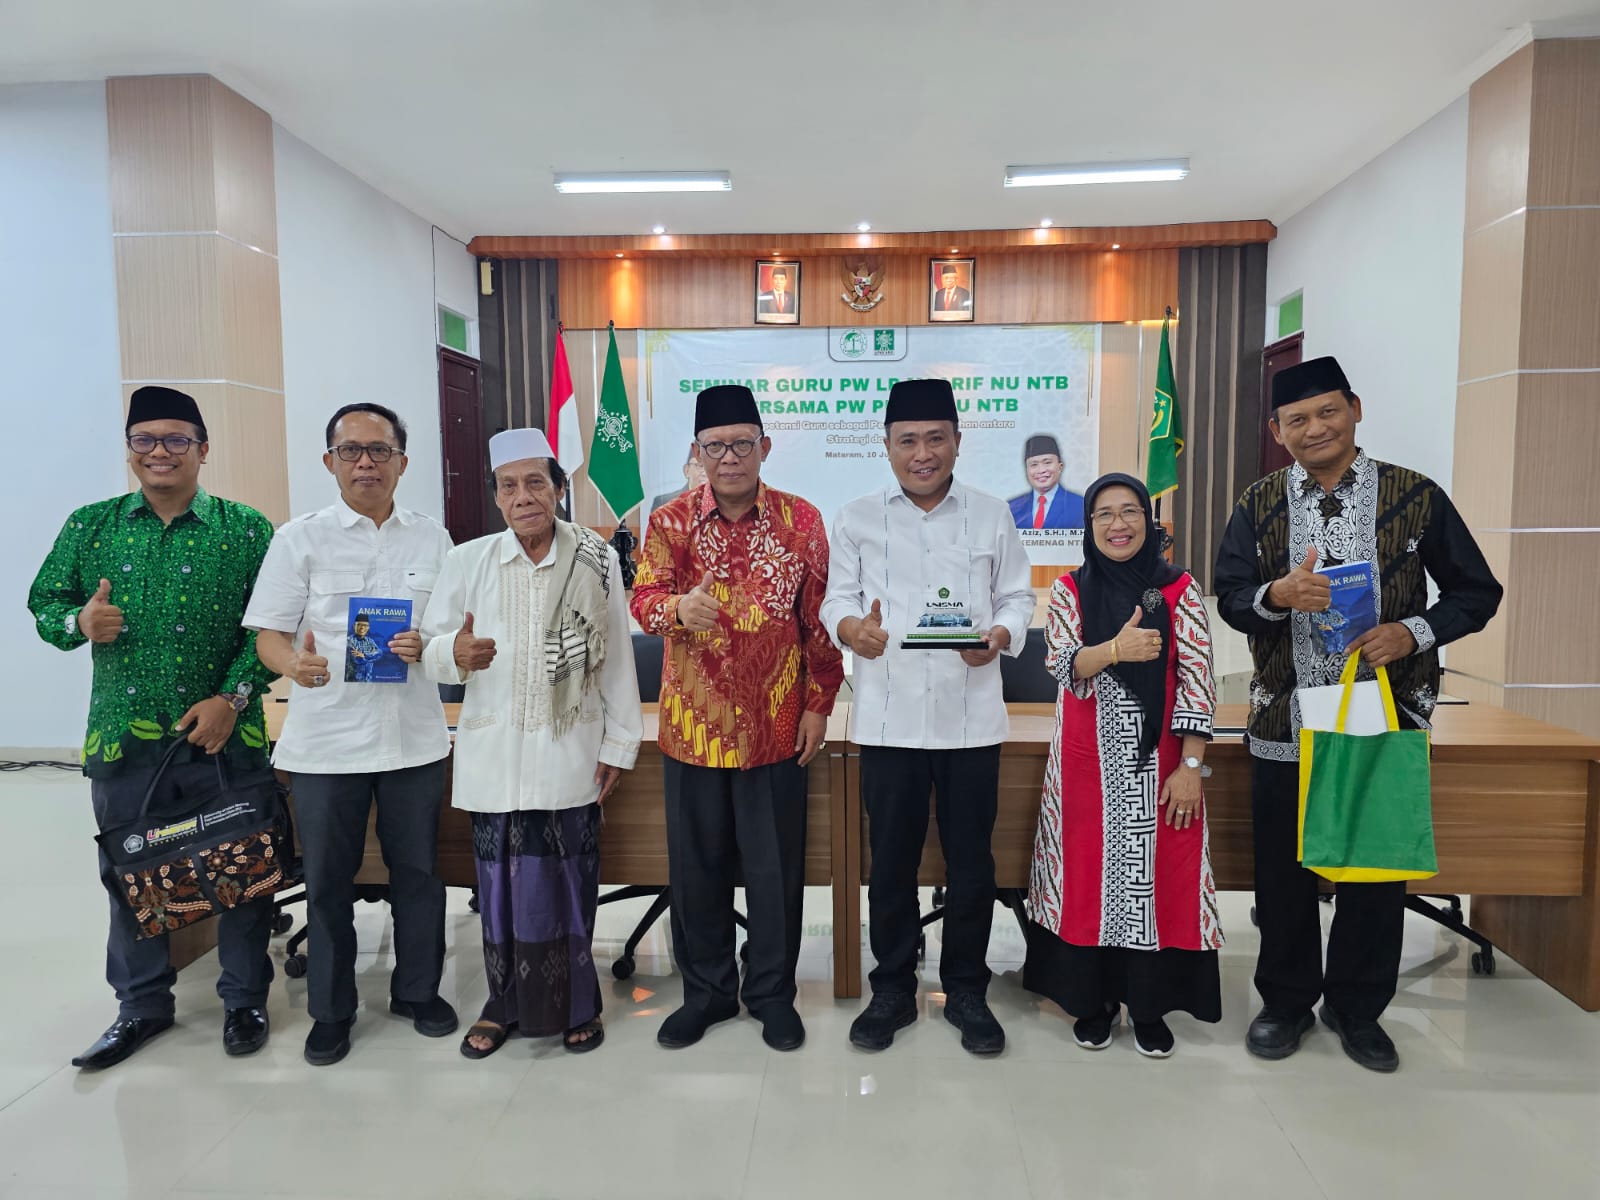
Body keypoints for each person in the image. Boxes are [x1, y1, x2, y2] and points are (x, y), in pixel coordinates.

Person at [1214, 355, 1503, 1073]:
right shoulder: (1258, 503)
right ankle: (1284, 1004)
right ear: (1278, 432)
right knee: (1283, 873)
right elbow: (1229, 595)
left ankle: (1357, 1008)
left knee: (1373, 869)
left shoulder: (1415, 496)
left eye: (1328, 412)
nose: (1315, 428)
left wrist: (1414, 631)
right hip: (1285, 718)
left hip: (1385, 708)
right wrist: (1276, 596)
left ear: (1356, 409)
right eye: (1297, 420)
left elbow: (1477, 591)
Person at [28, 386, 279, 1070]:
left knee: (242, 873)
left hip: (227, 736)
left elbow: (273, 628)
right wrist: (78, 623)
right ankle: (140, 1008)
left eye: (175, 439)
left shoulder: (246, 529)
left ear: (203, 449)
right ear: (130, 449)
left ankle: (245, 1000)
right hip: (125, 740)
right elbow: (43, 601)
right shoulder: (91, 527)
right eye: (145, 439)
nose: (159, 452)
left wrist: (231, 696)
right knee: (130, 876)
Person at [823, 378, 1035, 1056]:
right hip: (888, 721)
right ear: (885, 446)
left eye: (935, 438)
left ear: (957, 442)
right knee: (890, 863)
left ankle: (966, 990)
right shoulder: (857, 516)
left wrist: (999, 636)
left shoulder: (990, 513)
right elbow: (836, 601)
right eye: (907, 440)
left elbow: (1017, 597)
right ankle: (892, 987)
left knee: (972, 863)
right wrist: (852, 629)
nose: (922, 452)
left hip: (972, 722)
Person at [243, 401, 457, 1066]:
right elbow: (268, 636)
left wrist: (434, 642)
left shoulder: (433, 538)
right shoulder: (298, 538)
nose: (366, 462)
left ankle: (418, 993)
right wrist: (293, 665)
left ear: (402, 461)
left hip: (414, 740)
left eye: (380, 450)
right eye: (351, 451)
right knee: (328, 881)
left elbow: (455, 629)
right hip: (326, 744)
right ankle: (332, 1012)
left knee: (419, 875)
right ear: (330, 461)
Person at [631, 384, 844, 1052]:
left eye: (742, 444)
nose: (730, 458)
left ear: (765, 447)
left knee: (774, 869)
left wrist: (819, 704)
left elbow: (818, 623)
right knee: (698, 869)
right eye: (716, 446)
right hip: (693, 727)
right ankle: (708, 994)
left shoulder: (802, 521)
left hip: (777, 727)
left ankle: (771, 993)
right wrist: (672, 612)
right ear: (697, 452)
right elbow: (642, 599)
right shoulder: (668, 524)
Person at [422, 427, 642, 1060]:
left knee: (570, 884)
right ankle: (502, 1003)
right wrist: (453, 654)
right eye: (510, 485)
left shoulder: (596, 558)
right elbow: (432, 652)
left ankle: (579, 1004)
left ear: (558, 489)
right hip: (493, 754)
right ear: (495, 495)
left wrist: (620, 745)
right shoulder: (468, 561)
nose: (523, 497)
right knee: (496, 891)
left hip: (569, 748)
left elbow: (619, 658)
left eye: (536, 483)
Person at [1023, 473, 1219, 1058]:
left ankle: (1150, 1006)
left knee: (1156, 881)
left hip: (1160, 767)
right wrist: (1114, 650)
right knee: (1087, 880)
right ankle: (1095, 1001)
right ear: (1088, 526)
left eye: (1129, 511)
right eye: (1103, 514)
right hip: (1085, 768)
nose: (1118, 524)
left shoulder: (1179, 588)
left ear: (1148, 521)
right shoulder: (1069, 590)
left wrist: (1192, 767)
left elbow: (1197, 681)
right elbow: (1061, 669)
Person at [1007, 434, 1086, 530]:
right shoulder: (1012, 508)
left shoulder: (1079, 505)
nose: (1041, 470)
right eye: (1034, 464)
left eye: (1047, 462)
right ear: (1026, 470)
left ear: (1060, 466)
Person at [343, 612, 382, 683]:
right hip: (353, 680)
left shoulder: (370, 641)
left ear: (368, 627)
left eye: (365, 625)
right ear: (354, 626)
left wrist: (364, 655)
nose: (362, 628)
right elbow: (357, 659)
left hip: (368, 678)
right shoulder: (349, 640)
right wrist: (371, 653)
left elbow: (379, 653)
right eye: (359, 625)